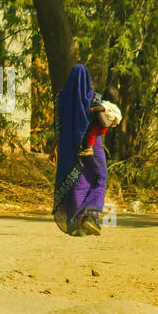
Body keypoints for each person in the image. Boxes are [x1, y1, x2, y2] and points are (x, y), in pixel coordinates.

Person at [52, 65, 107, 236]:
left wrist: (53, 148)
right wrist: (108, 115)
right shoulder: (94, 97)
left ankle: (76, 224)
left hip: (68, 145)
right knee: (100, 176)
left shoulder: (60, 97)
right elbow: (103, 123)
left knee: (77, 182)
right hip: (92, 145)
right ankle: (90, 215)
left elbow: (57, 125)